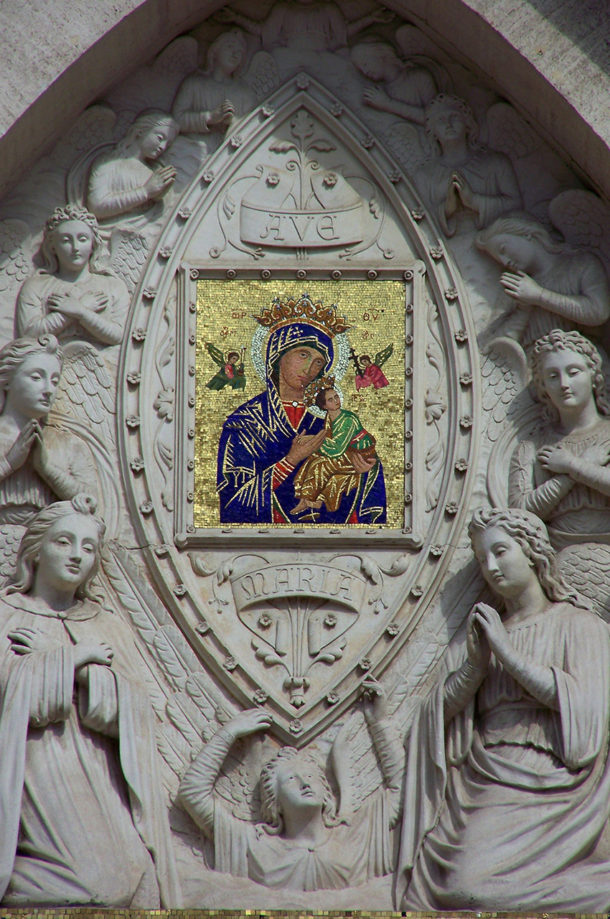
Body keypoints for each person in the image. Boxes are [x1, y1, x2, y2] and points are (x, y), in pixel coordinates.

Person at [396, 506, 610, 911]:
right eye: (481, 559)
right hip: (483, 777)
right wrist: (475, 668)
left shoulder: (579, 625)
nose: (491, 566)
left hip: (553, 781)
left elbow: (586, 706)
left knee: (464, 890)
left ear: (531, 551)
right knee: (453, 889)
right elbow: (438, 713)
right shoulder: (481, 635)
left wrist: (507, 655)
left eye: (500, 551)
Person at [0, 494, 181, 907]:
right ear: (35, 551)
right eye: (63, 542)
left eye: (88, 546)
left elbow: (137, 707)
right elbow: (11, 697)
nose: (76, 555)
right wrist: (74, 658)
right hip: (35, 766)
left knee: (138, 880)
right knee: (97, 887)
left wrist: (74, 672)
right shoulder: (6, 615)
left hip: (98, 770)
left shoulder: (105, 623)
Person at [177, 677, 402, 891]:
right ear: (275, 803)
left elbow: (404, 789)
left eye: (312, 777)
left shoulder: (357, 835)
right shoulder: (253, 847)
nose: (305, 783)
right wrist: (229, 733)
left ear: (326, 792)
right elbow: (192, 793)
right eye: (292, 779)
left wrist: (379, 723)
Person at [216, 297, 386, 524]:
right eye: (303, 354)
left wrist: (362, 464)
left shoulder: (330, 417)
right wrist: (291, 460)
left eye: (318, 362)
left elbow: (369, 468)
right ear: (277, 355)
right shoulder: (245, 422)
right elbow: (232, 503)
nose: (310, 368)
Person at [508, 329, 610, 548]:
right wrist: (574, 471)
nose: (564, 384)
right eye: (553, 376)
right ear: (543, 386)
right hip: (559, 556)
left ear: (593, 375)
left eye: (573, 372)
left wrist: (572, 465)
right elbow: (520, 514)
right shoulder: (531, 448)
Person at [476, 214, 610, 348]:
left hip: (577, 362)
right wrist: (523, 308)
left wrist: (539, 295)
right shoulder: (516, 289)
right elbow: (494, 346)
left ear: (527, 234)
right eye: (500, 260)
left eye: (503, 250)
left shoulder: (581, 265)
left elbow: (598, 311)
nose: (506, 261)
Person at [15, 205, 129, 346]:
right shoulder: (36, 286)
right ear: (52, 247)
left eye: (82, 239)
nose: (75, 247)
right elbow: (29, 334)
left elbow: (117, 335)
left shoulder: (112, 286)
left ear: (93, 244)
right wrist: (75, 311)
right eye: (66, 240)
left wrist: (82, 312)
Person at [0, 335, 82, 526]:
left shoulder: (68, 444)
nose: (48, 390)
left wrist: (46, 469)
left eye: (54, 381)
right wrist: (9, 463)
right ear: (7, 381)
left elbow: (90, 503)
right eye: (36, 377)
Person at [416, 94, 521, 236]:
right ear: (433, 132)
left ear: (468, 124)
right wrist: (447, 209)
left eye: (454, 116)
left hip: (498, 241)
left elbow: (515, 204)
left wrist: (474, 201)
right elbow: (418, 223)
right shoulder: (424, 175)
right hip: (448, 249)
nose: (448, 123)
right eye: (440, 120)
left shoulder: (496, 163)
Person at [292, 376, 377, 515]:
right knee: (313, 458)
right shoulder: (329, 419)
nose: (336, 401)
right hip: (346, 453)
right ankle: (307, 501)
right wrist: (312, 442)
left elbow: (336, 449)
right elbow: (331, 443)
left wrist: (313, 439)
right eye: (330, 399)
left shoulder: (348, 419)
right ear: (324, 406)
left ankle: (309, 499)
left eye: (336, 397)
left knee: (322, 465)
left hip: (359, 455)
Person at [86, 111, 178, 222]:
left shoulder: (154, 175)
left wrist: (160, 197)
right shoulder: (111, 163)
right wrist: (145, 192)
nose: (163, 147)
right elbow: (96, 206)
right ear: (140, 131)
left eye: (168, 144)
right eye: (160, 138)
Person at [172, 30, 255, 138]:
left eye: (240, 52)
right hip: (193, 147)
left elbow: (253, 127)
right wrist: (210, 117)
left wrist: (233, 122)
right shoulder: (194, 84)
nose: (235, 54)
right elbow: (176, 120)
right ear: (215, 51)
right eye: (230, 47)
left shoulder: (244, 93)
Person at [351, 41, 437, 126]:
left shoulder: (419, 77)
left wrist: (388, 104)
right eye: (361, 70)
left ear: (379, 55)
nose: (365, 72)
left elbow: (435, 118)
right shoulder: (379, 93)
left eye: (365, 64)